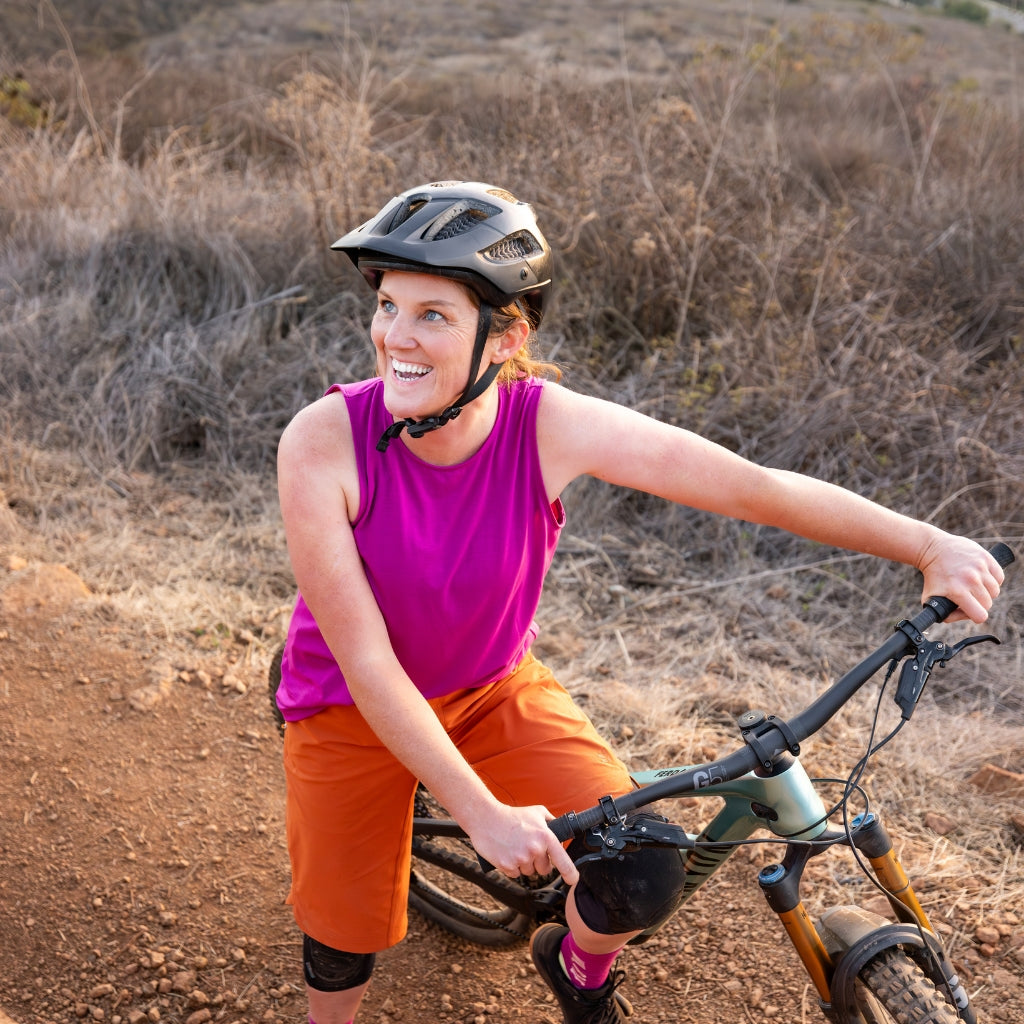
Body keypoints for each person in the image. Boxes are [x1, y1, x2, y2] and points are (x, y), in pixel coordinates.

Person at [274, 180, 1003, 1024]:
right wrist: (480, 815)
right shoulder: (322, 443)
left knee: (647, 860)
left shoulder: (546, 425)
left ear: (505, 338)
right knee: (343, 938)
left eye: (433, 315)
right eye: (390, 305)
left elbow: (751, 488)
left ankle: (578, 969)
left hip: (491, 690)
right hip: (350, 709)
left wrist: (927, 543)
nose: (394, 336)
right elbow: (365, 660)